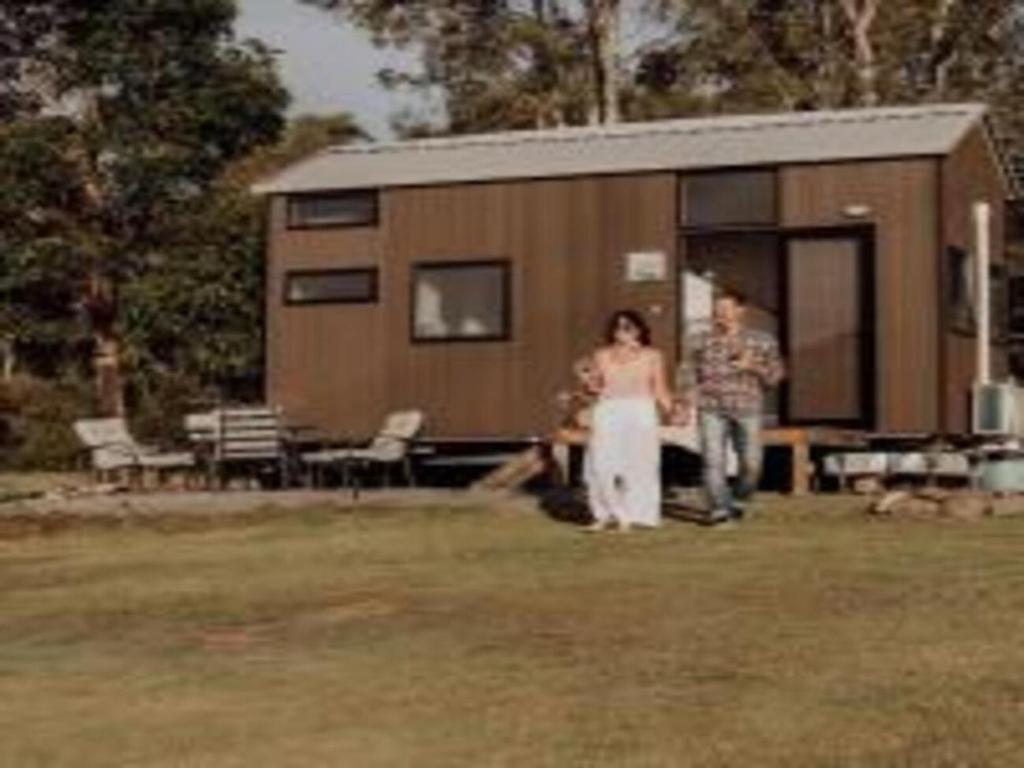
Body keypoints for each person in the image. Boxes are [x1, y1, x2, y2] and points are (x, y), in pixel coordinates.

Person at [677, 289, 784, 527]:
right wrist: (685, 401)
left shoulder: (762, 340)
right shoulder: (699, 340)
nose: (720, 314)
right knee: (713, 461)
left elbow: (775, 377)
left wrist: (752, 365)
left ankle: (739, 500)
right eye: (717, 310)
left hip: (747, 407)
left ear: (740, 310)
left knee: (752, 462)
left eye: (725, 309)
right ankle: (718, 510)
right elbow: (686, 373)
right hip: (710, 407)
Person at [581, 310, 674, 532]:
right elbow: (595, 388)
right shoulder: (601, 355)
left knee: (642, 464)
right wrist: (587, 383)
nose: (622, 332)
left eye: (628, 327)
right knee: (600, 463)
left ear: (639, 330)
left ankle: (639, 516)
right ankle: (604, 514)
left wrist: (671, 411)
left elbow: (659, 388)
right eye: (618, 327)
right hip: (608, 409)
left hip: (641, 409)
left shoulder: (653, 355)